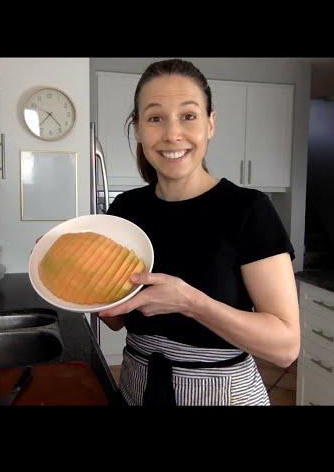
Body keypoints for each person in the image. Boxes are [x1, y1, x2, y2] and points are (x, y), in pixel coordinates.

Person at [98, 59, 300, 406]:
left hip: (224, 393)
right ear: (139, 129)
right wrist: (77, 279)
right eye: (155, 118)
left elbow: (285, 347)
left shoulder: (249, 210)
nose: (172, 134)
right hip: (137, 388)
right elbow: (117, 320)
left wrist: (191, 303)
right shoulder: (125, 210)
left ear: (210, 124)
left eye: (188, 116)